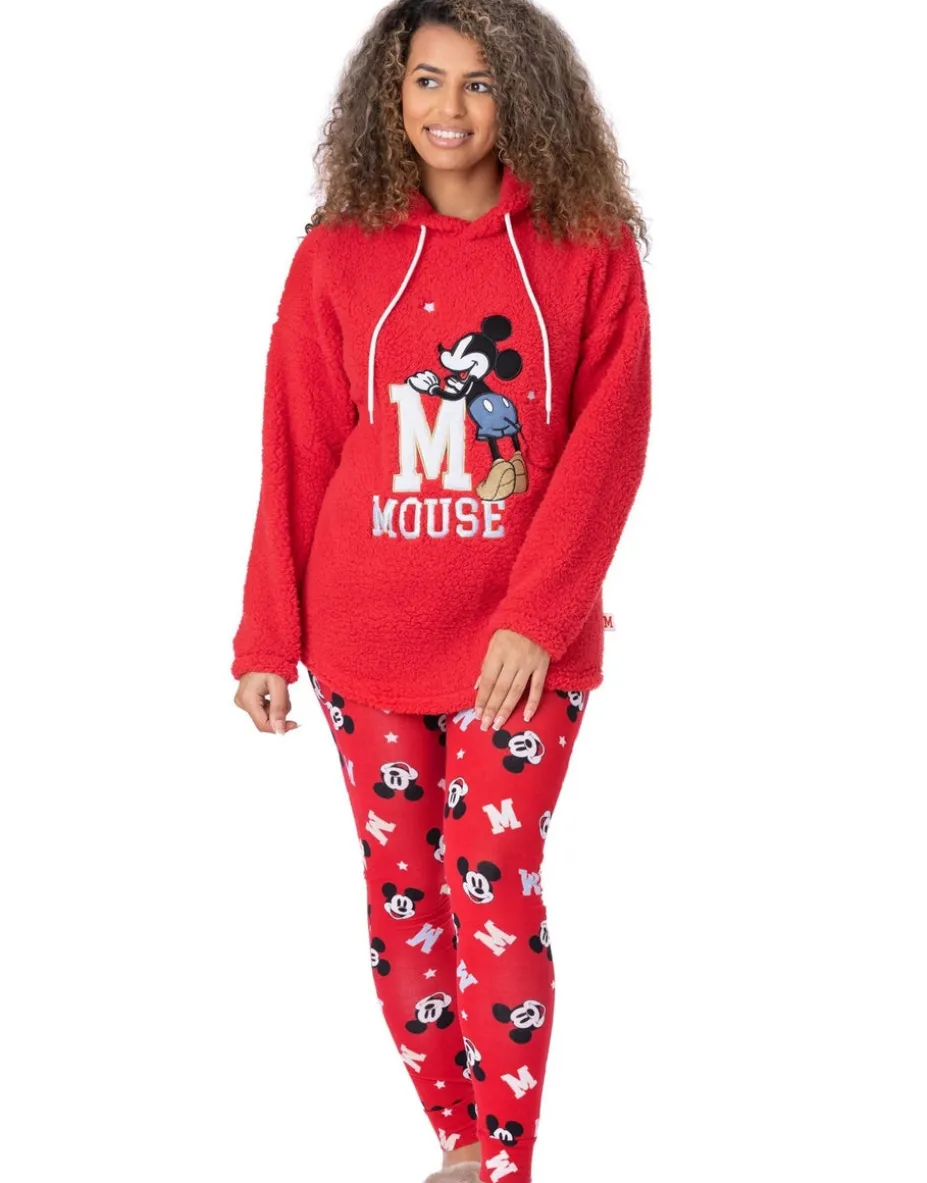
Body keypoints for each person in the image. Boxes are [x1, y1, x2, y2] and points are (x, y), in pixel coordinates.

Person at [230, 1, 651, 1180]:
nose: (449, 108)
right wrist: (266, 635)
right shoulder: (337, 252)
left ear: (525, 96)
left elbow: (609, 446)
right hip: (362, 640)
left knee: (494, 881)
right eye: (426, 79)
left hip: (522, 650)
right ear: (391, 91)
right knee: (405, 894)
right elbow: (296, 449)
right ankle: (462, 1140)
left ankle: (508, 1163)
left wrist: (538, 616)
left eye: (478, 82)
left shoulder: (587, 246)